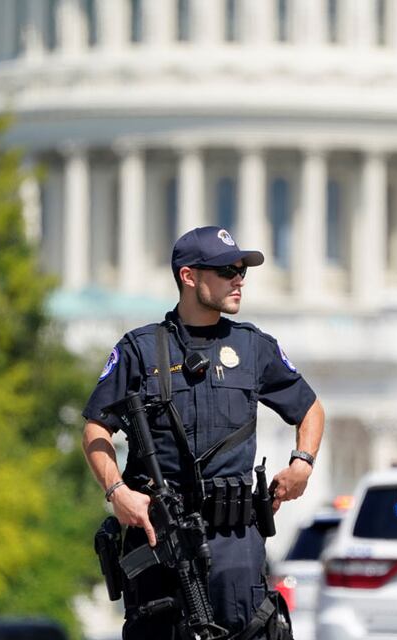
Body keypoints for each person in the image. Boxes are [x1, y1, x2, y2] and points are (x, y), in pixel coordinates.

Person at [82, 225, 325, 640]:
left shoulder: (253, 347)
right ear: (189, 276)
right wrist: (117, 492)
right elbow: (95, 427)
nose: (239, 279)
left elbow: (310, 409)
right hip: (160, 537)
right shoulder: (140, 350)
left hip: (235, 543)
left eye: (241, 270)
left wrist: (302, 464)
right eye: (226, 270)